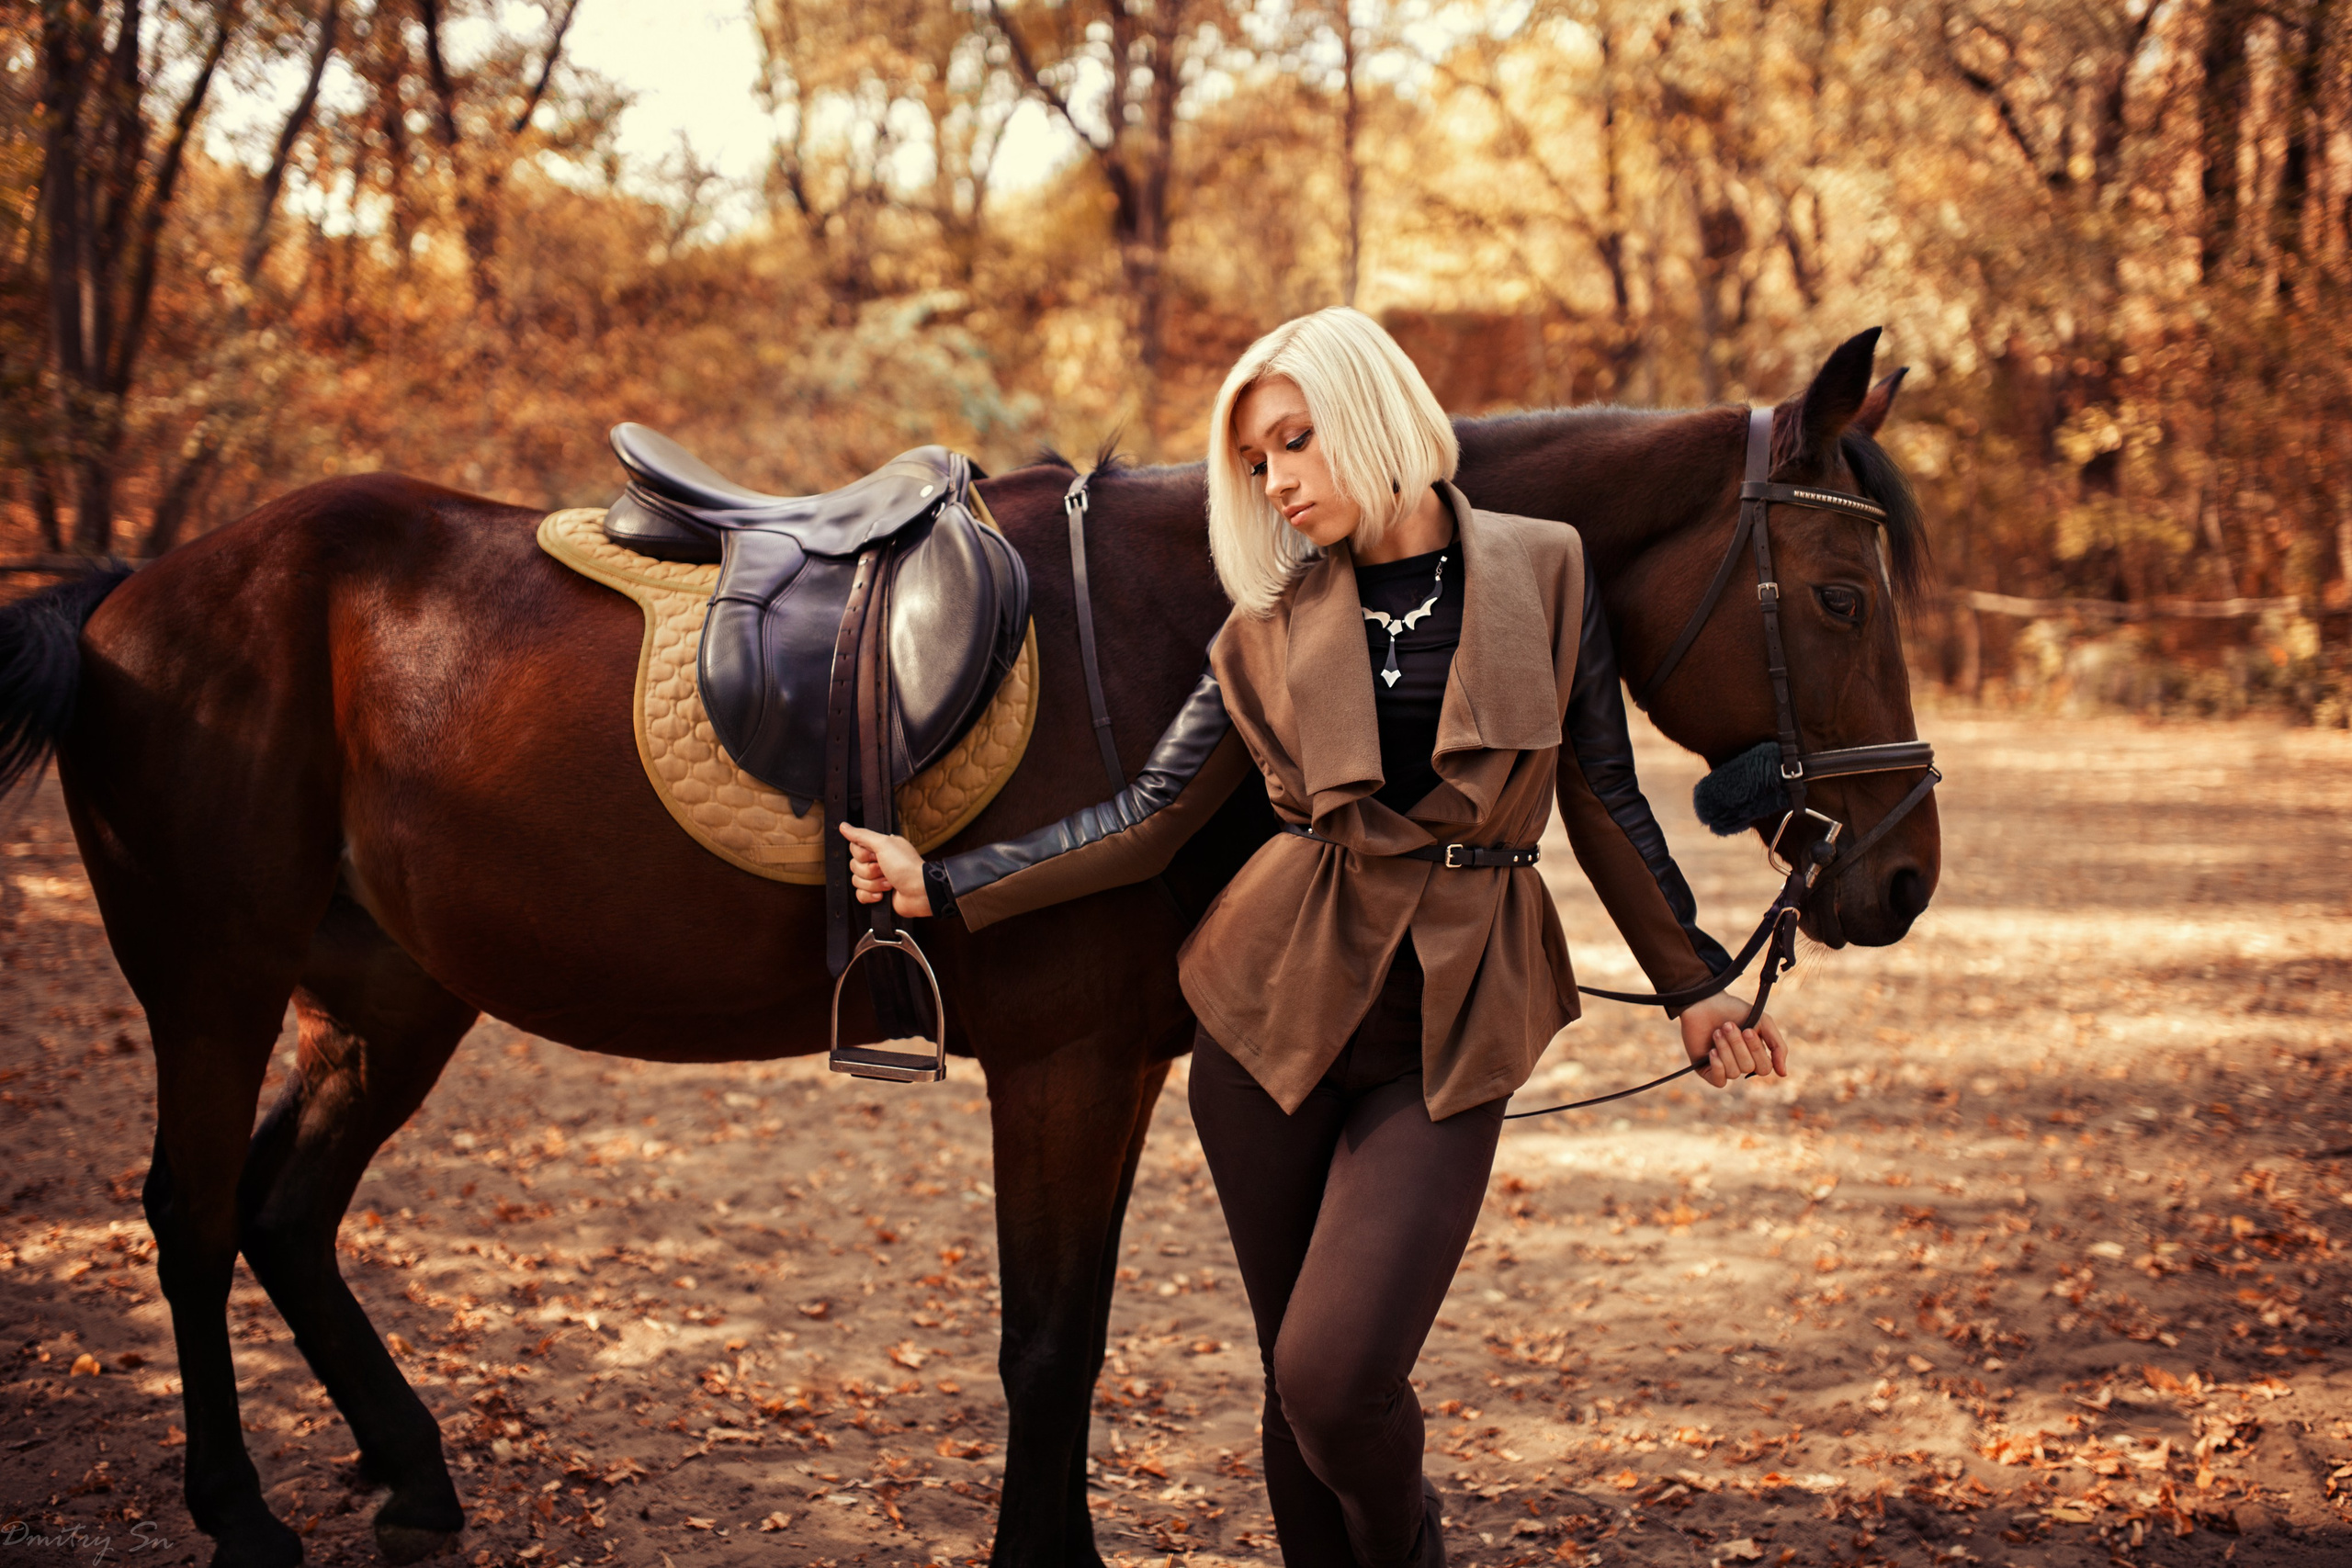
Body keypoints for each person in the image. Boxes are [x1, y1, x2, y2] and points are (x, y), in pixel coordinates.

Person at [840, 306, 1786, 1568]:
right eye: (1256, 463)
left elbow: (1602, 795)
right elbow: (1148, 819)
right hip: (1266, 1025)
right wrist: (947, 884)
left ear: (1375, 410)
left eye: (1295, 442)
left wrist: (1697, 985)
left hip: (1449, 1027)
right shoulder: (1264, 625)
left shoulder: (1547, 569)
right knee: (1294, 1390)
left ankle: (1411, 1549)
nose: (1278, 483)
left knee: (1338, 1376)